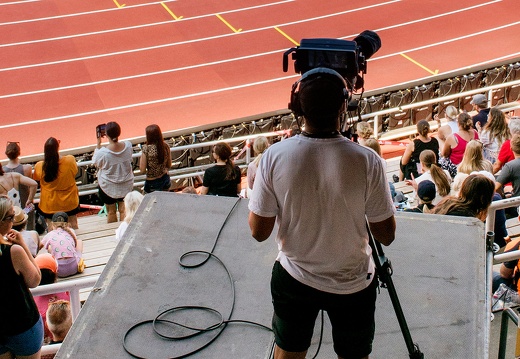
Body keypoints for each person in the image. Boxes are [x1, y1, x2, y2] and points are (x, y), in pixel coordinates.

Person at [248, 67, 396, 359]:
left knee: (289, 352)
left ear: (297, 107)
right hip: (353, 283)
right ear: (344, 106)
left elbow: (258, 231)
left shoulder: (274, 157)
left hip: (294, 279)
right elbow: (386, 236)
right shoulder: (368, 161)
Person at [0, 196, 43, 359]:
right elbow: (35, 279)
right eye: (10, 218)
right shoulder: (13, 252)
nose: (12, 222)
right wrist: (21, 243)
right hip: (22, 325)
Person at [33, 137, 80, 229]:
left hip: (49, 204)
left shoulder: (39, 166)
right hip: (69, 202)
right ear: (58, 147)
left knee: (51, 227)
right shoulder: (70, 160)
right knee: (73, 224)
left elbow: (37, 178)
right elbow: (74, 172)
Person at [93, 122, 134, 223]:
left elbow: (95, 162)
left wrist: (98, 145)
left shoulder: (103, 153)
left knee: (111, 212)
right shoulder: (128, 146)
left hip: (108, 187)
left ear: (106, 135)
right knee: (124, 210)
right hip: (126, 185)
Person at [33, 253, 70, 344]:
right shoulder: (67, 291)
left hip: (46, 340)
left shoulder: (32, 298)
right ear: (55, 274)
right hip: (68, 334)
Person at [41, 212, 84, 278]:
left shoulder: (50, 234)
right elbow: (74, 245)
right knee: (79, 241)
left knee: (50, 247)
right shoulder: (71, 231)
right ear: (67, 224)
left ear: (52, 224)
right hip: (74, 268)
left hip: (59, 271)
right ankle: (79, 259)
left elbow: (40, 246)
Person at [5, 141, 36, 230]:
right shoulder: (27, 168)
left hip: (11, 208)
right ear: (19, 153)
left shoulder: (3, 171)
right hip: (26, 207)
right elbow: (32, 184)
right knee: (29, 229)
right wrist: (30, 199)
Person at [440, 112, 479, 178]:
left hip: (458, 168)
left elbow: (445, 154)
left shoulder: (452, 137)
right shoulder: (475, 132)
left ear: (458, 124)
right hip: (474, 164)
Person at [139, 124, 172, 194]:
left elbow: (142, 170)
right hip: (165, 178)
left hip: (152, 182)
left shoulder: (146, 149)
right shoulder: (165, 146)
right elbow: (169, 165)